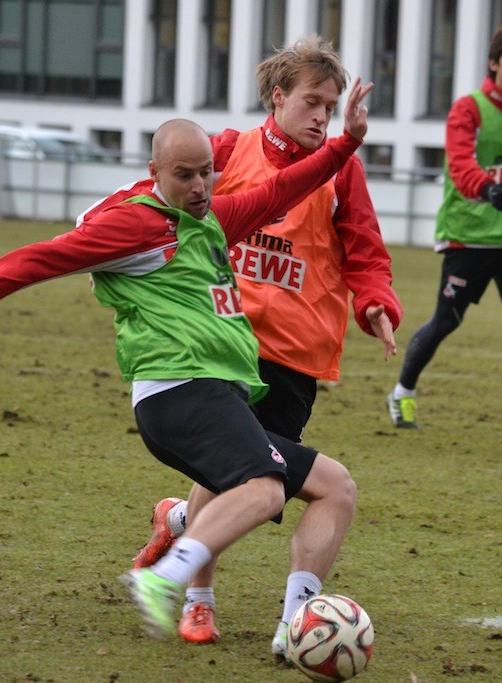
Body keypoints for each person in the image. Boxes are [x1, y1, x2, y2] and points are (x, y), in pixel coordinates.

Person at [0, 78, 373, 650]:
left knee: (333, 484)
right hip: (181, 391)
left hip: (212, 393)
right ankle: (170, 582)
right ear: (155, 173)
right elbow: (35, 261)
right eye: (183, 175)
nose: (197, 186)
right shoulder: (138, 227)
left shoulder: (214, 218)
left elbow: (285, 187)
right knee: (263, 490)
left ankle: (282, 617)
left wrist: (346, 144)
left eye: (204, 174)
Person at [79, 37, 402, 652]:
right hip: (223, 347)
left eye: (331, 108)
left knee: (257, 487)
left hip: (295, 358)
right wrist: (99, 226)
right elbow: (160, 196)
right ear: (278, 98)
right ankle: (203, 602)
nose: (321, 116)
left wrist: (377, 304)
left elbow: (366, 252)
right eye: (312, 101)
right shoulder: (226, 153)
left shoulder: (341, 170)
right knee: (242, 474)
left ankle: (178, 522)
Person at [385, 24, 502, 440]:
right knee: (447, 320)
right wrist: (487, 189)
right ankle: (402, 391)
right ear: (494, 63)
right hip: (470, 236)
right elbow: (461, 163)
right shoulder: (468, 108)